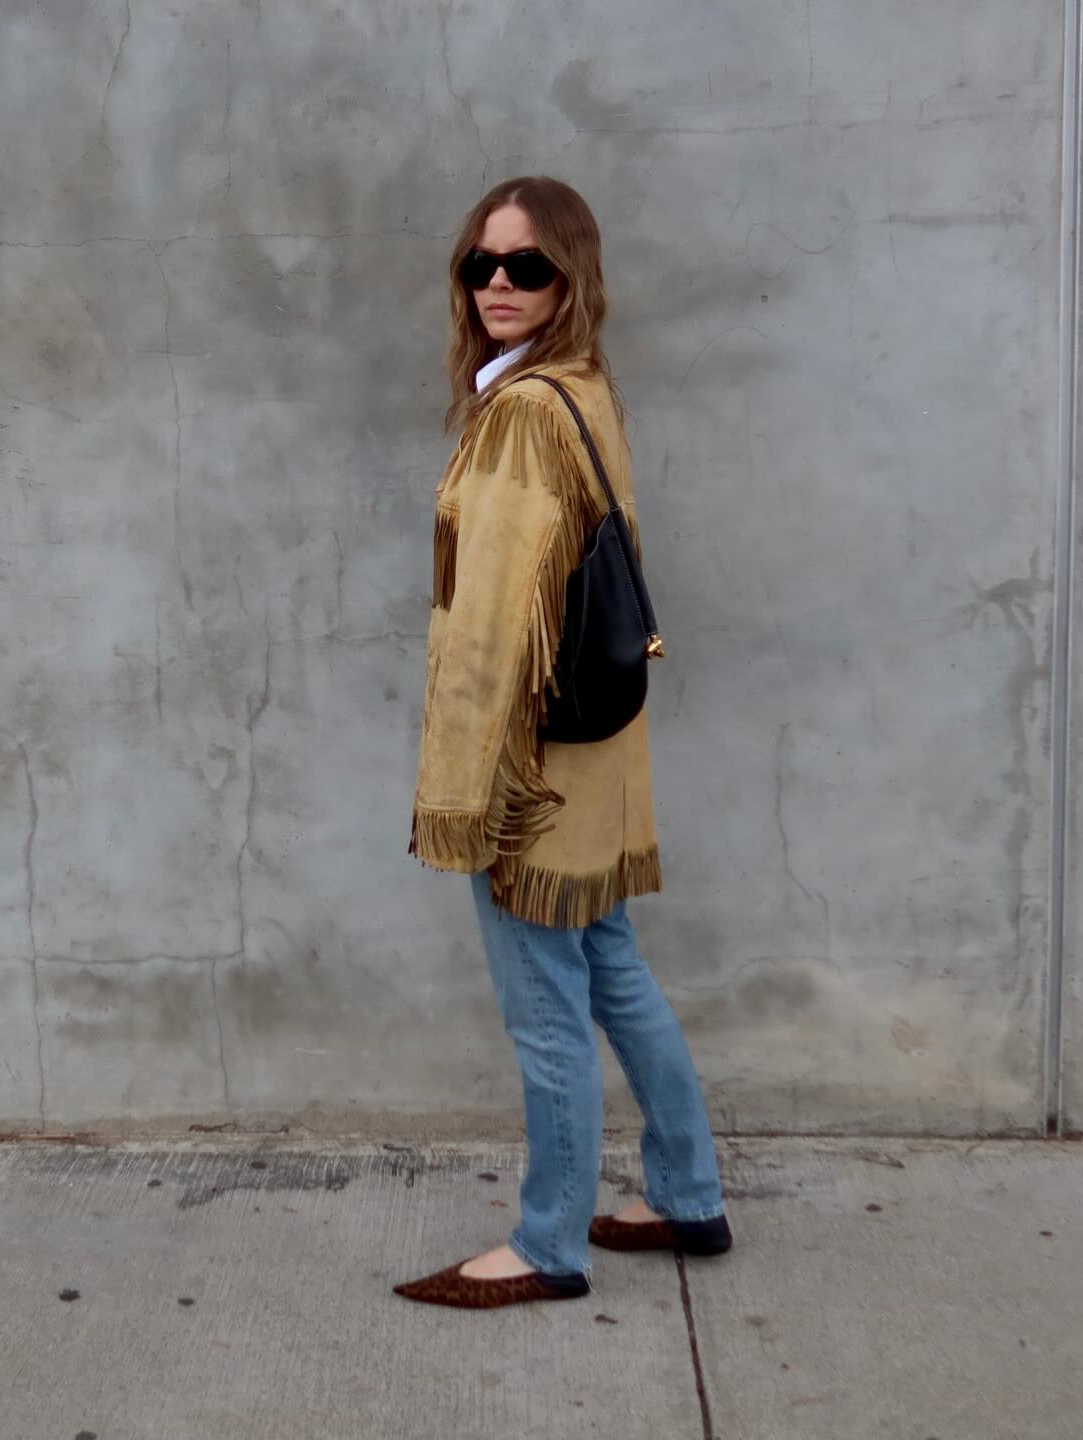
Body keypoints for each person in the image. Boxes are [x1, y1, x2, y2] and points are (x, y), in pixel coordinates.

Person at [393, 176, 731, 1310]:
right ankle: (689, 1195)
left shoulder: (527, 416)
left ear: (569, 277)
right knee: (615, 974)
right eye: (479, 265)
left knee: (545, 1005)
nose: (497, 284)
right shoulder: (579, 388)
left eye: (526, 266)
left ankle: (547, 1244)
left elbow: (491, 632)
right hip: (595, 756)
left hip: (528, 771)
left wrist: (468, 798)